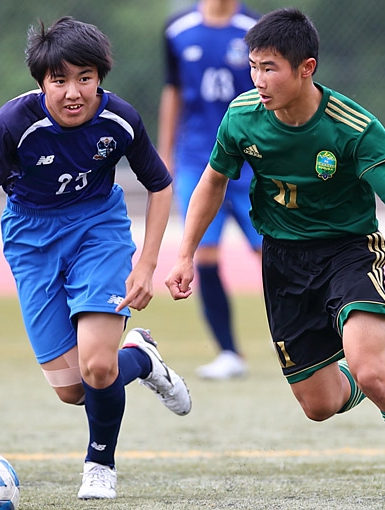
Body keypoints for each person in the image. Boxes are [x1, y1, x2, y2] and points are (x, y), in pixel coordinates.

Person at [165, 8, 385, 510]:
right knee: (320, 404)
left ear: (306, 68)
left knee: (368, 371)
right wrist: (183, 254)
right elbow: (212, 183)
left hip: (349, 252)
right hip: (283, 261)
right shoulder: (243, 116)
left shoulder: (353, 127)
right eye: (254, 67)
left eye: (270, 68)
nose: (259, 80)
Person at [0, 16, 191, 500]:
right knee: (73, 389)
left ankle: (100, 464)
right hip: (31, 241)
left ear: (100, 78)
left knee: (97, 367)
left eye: (85, 78)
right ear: (40, 82)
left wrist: (146, 265)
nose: (73, 92)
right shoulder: (14, 125)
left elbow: (159, 186)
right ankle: (141, 358)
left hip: (99, 230)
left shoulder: (120, 120)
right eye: (60, 80)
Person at [157, 0, 262, 380]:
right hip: (197, 162)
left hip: (252, 161)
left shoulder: (256, 28)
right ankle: (229, 352)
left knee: (274, 253)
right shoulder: (177, 29)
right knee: (204, 255)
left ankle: (310, 340)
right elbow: (173, 91)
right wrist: (164, 155)